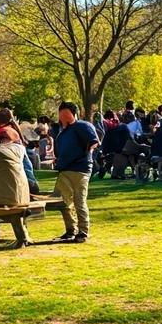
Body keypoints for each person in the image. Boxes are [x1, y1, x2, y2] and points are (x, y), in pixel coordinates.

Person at [50, 102, 98, 243]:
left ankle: (83, 232)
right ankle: (71, 230)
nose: (63, 118)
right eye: (61, 115)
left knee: (79, 201)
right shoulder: (62, 133)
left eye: (66, 115)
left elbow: (93, 142)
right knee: (63, 201)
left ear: (73, 113)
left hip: (80, 170)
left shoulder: (82, 125)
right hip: (64, 170)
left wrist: (84, 154)